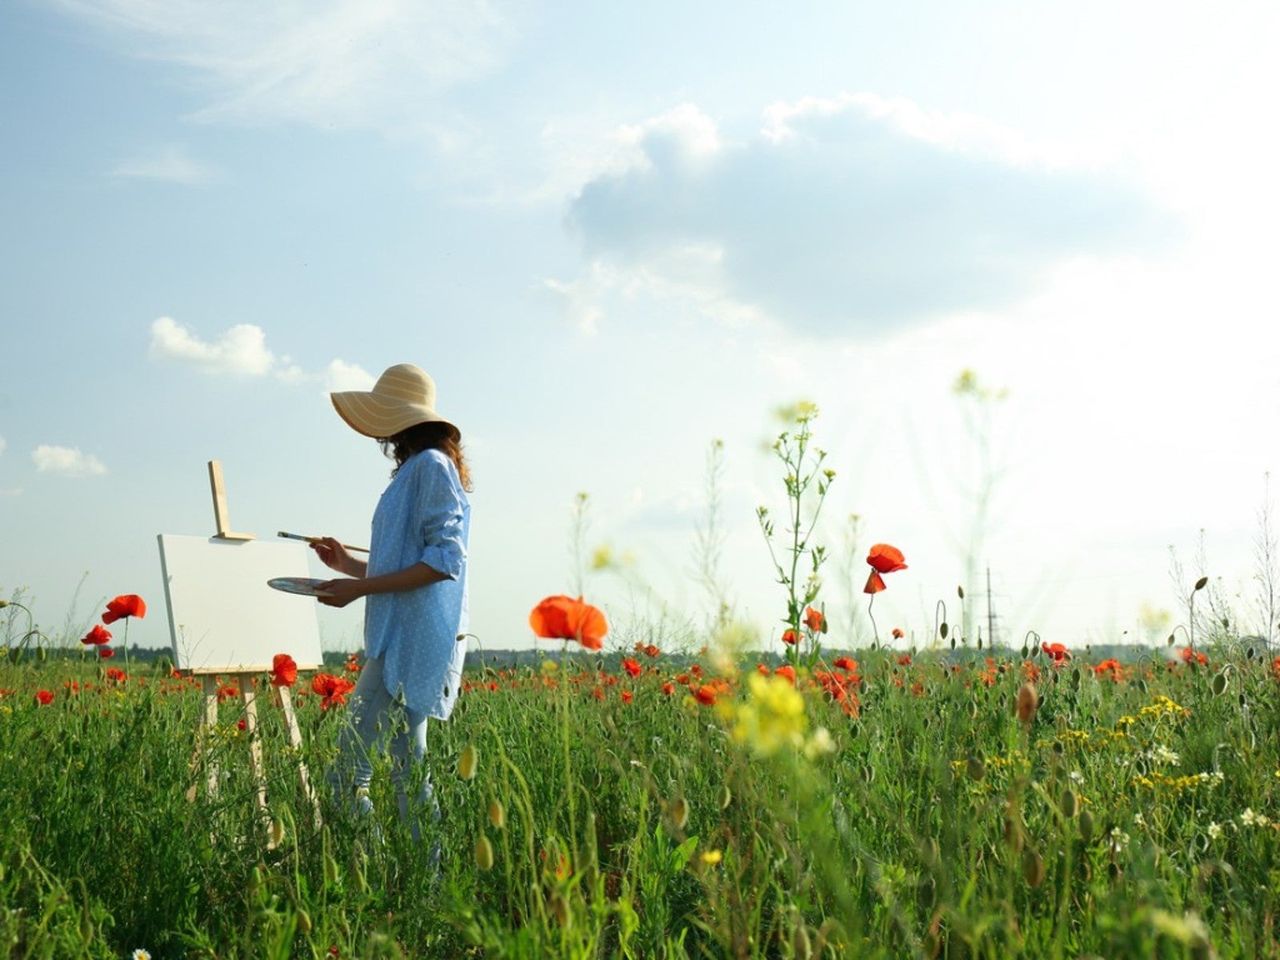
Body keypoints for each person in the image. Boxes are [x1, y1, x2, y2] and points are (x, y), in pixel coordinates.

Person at [311, 362, 471, 848]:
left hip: (408, 639)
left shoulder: (430, 467)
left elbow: (445, 562)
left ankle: (371, 871)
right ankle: (422, 882)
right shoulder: (422, 470)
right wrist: (346, 566)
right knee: (407, 767)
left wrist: (359, 591)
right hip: (406, 636)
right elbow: (409, 566)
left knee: (348, 769)